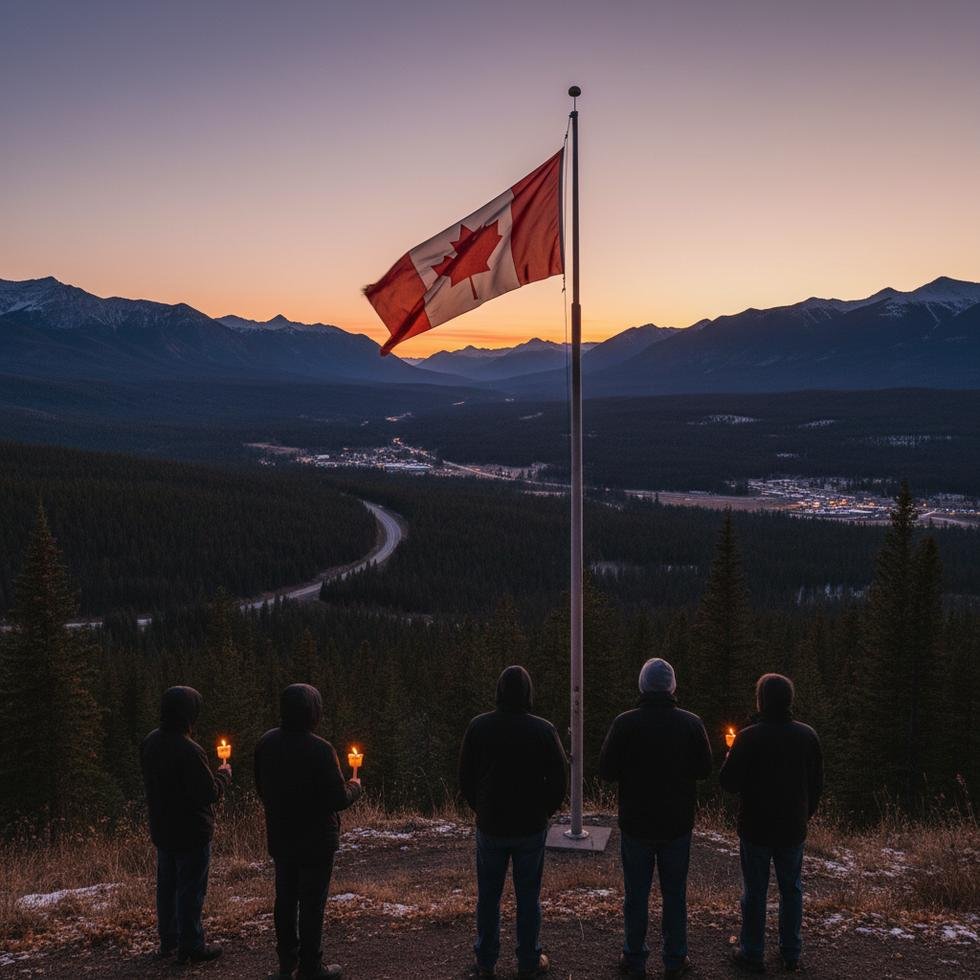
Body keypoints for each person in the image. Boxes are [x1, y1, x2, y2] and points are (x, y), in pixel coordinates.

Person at [599, 658, 712, 980]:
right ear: (672, 687)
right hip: (677, 825)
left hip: (636, 824)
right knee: (675, 894)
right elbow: (705, 769)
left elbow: (606, 770)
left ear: (642, 686)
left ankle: (634, 957)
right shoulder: (691, 723)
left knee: (636, 894)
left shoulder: (625, 723)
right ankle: (675, 958)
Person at [458, 665, 568, 980]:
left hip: (491, 825)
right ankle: (529, 960)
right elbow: (559, 780)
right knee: (529, 897)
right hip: (530, 826)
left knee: (488, 896)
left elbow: (465, 776)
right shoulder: (543, 730)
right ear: (528, 693)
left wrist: (480, 807)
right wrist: (544, 811)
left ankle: (486, 960)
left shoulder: (479, 727)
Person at [254, 684, 362, 980]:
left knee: (285, 900)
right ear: (312, 711)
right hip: (316, 841)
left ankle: (287, 963)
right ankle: (310, 968)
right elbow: (337, 799)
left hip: (281, 835)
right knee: (312, 904)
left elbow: (261, 787)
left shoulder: (266, 742)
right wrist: (355, 787)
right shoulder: (321, 750)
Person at [719, 673, 823, 974]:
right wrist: (804, 815)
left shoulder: (749, 737)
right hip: (792, 828)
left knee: (755, 891)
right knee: (791, 889)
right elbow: (816, 784)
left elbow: (728, 783)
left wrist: (730, 755)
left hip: (756, 828)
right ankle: (791, 952)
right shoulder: (807, 736)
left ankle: (752, 952)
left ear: (761, 701)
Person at [141, 685, 231, 964]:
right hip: (192, 832)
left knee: (167, 888)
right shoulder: (190, 750)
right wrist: (223, 775)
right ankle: (191, 945)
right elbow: (208, 793)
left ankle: (168, 941)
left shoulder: (151, 742)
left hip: (163, 828)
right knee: (190, 890)